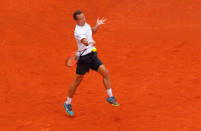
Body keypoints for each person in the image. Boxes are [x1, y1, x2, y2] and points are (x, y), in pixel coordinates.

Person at [64, 10, 119, 116]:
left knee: (105, 73)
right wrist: (89, 43)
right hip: (83, 59)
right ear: (76, 21)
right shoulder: (78, 31)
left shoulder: (86, 25)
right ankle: (67, 103)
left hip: (92, 56)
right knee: (77, 82)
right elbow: (84, 41)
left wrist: (97, 25)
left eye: (84, 17)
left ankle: (110, 97)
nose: (83, 19)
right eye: (80, 19)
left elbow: (92, 31)